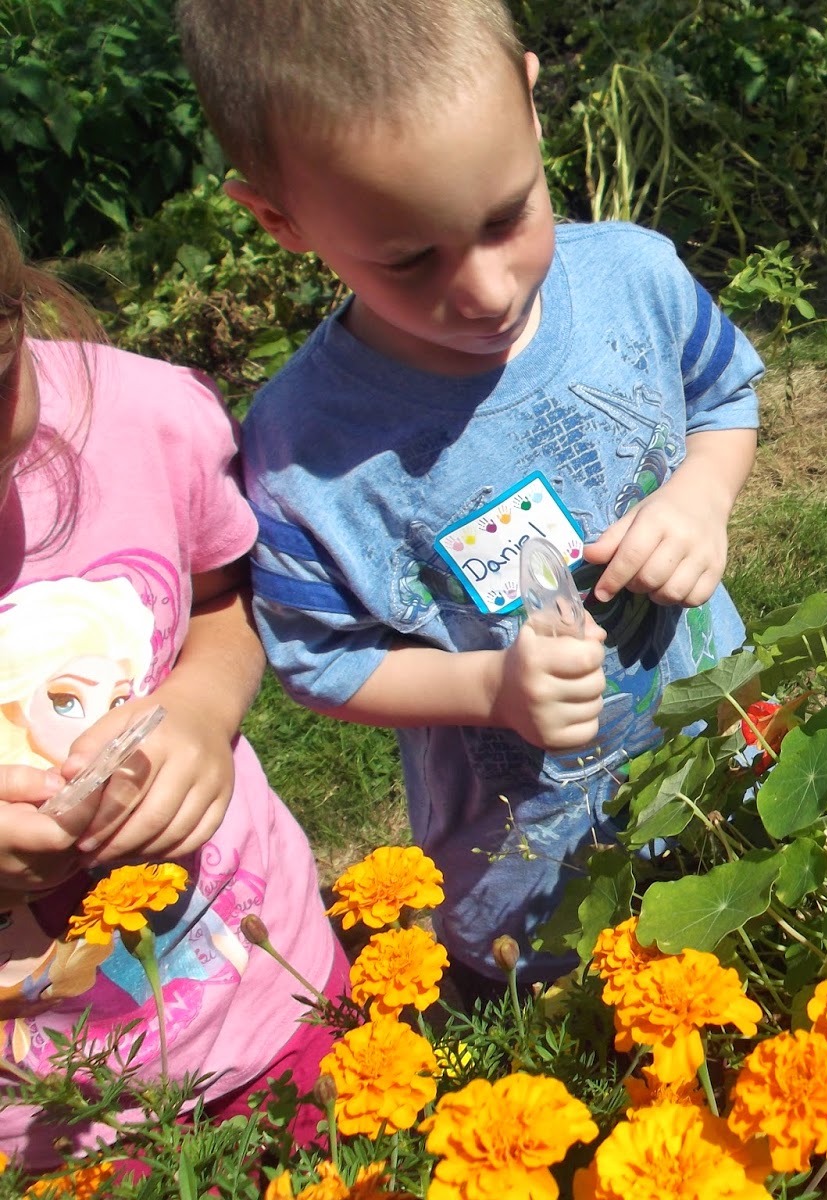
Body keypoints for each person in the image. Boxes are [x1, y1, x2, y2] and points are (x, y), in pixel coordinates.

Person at [174, 0, 763, 996]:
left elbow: (722, 397)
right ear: (280, 220)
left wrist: (701, 495)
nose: (487, 290)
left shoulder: (635, 278)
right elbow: (319, 662)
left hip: (726, 763)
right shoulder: (308, 451)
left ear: (531, 105)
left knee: (765, 944)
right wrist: (491, 692)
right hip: (533, 864)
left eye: (506, 217)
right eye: (411, 259)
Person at [0, 216, 343, 1169]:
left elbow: (221, 596)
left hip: (262, 989)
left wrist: (199, 707)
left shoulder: (143, 419)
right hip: (48, 1125)